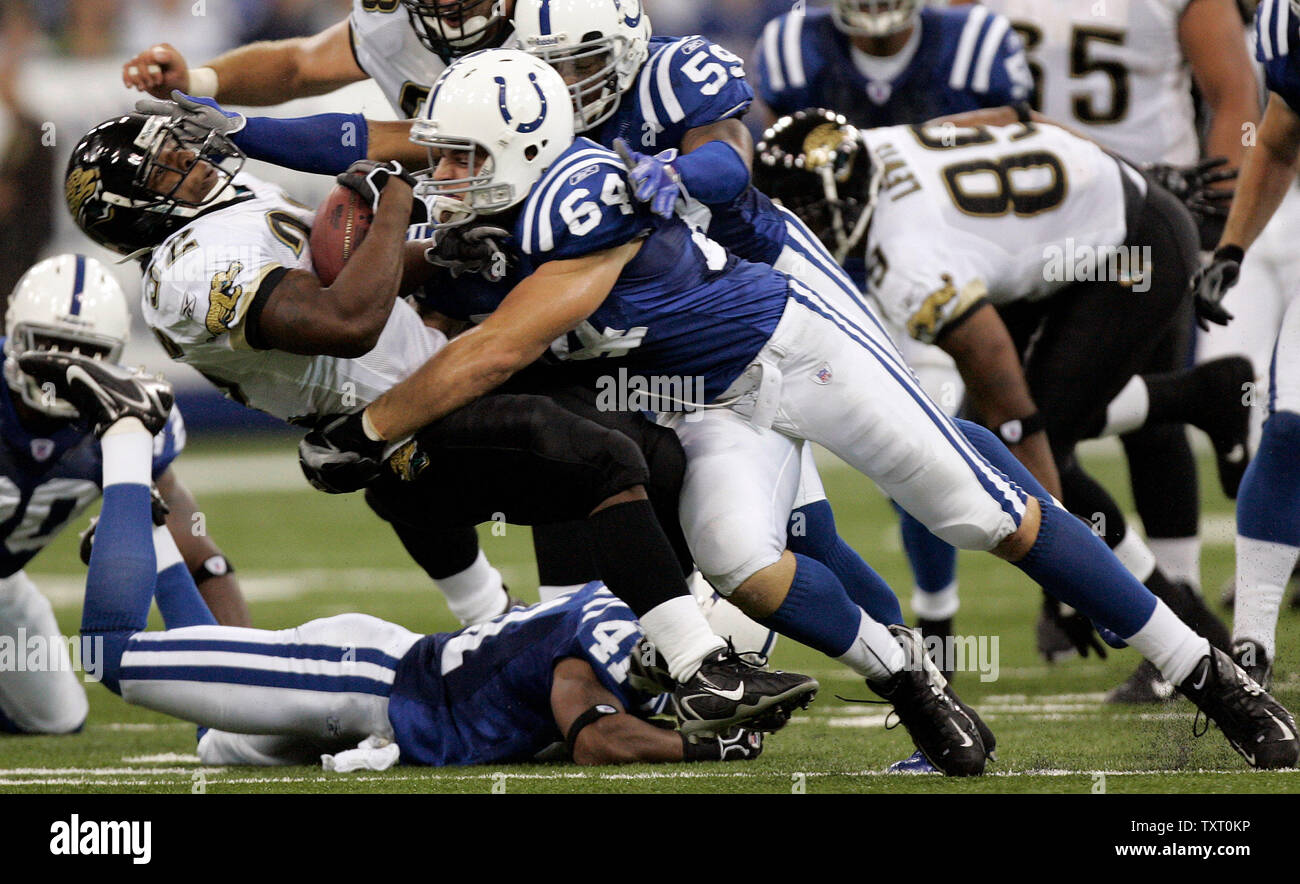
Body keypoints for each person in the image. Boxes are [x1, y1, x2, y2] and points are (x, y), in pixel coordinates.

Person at [308, 49, 1299, 771]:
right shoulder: (487, 229)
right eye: (435, 161)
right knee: (739, 560)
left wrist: (366, 431)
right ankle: (911, 681)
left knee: (977, 511)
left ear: (522, 146)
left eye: (455, 159)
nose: (440, 178)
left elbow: (500, 348)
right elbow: (439, 300)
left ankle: (1212, 674)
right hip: (704, 401)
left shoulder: (578, 193)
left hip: (793, 346)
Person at [63, 109, 817, 735]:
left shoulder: (231, 209)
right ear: (131, 207)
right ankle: (701, 668)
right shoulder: (184, 271)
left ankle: (641, 653)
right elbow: (347, 318)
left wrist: (434, 254)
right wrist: (391, 200)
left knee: (656, 450)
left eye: (183, 150)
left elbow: (352, 270)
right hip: (390, 437)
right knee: (597, 457)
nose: (193, 161)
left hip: (435, 381)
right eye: (168, 167)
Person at [24, 349, 769, 769]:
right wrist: (705, 748)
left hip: (379, 692)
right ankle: (127, 428)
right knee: (112, 656)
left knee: (216, 742)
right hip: (357, 680)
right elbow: (595, 735)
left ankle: (151, 540)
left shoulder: (629, 616)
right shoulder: (621, 628)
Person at [973, 0, 1261, 699]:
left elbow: (1234, 97)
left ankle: (1169, 606)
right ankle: (1115, 593)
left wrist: (1214, 216)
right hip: (1032, 213)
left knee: (1039, 421)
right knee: (1022, 413)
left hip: (1144, 211)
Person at [0, 253, 247, 736]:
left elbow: (200, 556)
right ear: (14, 335)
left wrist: (244, 674)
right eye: (46, 347)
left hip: (5, 584)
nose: (59, 369)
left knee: (57, 718)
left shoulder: (128, 420)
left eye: (80, 353)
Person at [1194, 0, 1300, 690]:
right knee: (1289, 427)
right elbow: (1283, 135)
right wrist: (1232, 247)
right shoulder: (1287, 18)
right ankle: (1253, 648)